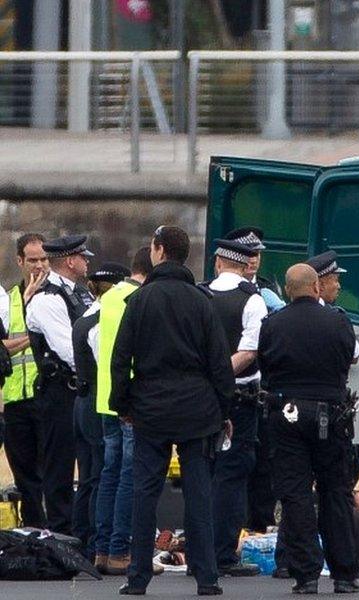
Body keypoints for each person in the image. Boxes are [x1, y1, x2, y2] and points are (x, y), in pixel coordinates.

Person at [110, 225, 234, 596]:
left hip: (150, 408)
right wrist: (222, 407)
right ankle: (207, 577)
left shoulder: (140, 301)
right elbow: (219, 362)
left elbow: (120, 360)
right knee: (199, 493)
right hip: (198, 410)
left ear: (159, 251)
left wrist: (124, 404)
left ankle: (137, 578)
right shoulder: (201, 302)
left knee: (144, 492)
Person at [257, 263, 359, 594]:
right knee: (336, 492)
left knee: (296, 493)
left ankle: (306, 574)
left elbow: (265, 365)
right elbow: (349, 358)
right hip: (331, 414)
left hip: (286, 414)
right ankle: (344, 574)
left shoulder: (273, 324)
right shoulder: (338, 320)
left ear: (288, 290)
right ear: (317, 286)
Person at [206, 239, 268, 577]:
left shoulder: (201, 294)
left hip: (201, 398)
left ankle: (202, 551)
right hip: (239, 397)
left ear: (217, 263)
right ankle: (223, 554)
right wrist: (220, 376)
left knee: (203, 472)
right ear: (244, 265)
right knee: (233, 473)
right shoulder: (251, 299)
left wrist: (205, 379)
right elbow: (248, 353)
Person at [26, 234, 96, 535]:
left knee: (89, 462)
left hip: (80, 389)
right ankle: (60, 532)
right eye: (83, 257)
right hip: (59, 391)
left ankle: (82, 531)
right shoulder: (47, 299)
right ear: (70, 260)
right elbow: (69, 350)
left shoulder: (81, 294)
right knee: (59, 465)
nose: (87, 261)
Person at [92, 247, 152, 576]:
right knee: (130, 476)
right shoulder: (138, 298)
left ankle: (101, 549)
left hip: (106, 399)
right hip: (130, 400)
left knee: (109, 474)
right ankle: (120, 552)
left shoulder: (111, 296)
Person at [224, 226, 283, 536]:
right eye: (248, 255)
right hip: (234, 386)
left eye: (258, 254)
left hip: (264, 387)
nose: (254, 260)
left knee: (263, 461)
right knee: (232, 464)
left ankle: (260, 521)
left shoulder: (266, 291)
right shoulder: (222, 291)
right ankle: (237, 525)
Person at [71, 261, 130, 557]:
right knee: (102, 475)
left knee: (91, 476)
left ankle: (84, 539)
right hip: (99, 403)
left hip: (83, 401)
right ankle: (94, 541)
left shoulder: (86, 317)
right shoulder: (102, 322)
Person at [2, 233, 49, 528]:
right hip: (16, 402)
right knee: (26, 479)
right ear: (20, 261)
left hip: (47, 398)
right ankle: (35, 533)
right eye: (32, 260)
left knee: (52, 474)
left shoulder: (60, 296)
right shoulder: (9, 300)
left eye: (44, 259)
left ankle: (56, 532)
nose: (39, 266)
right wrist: (33, 337)